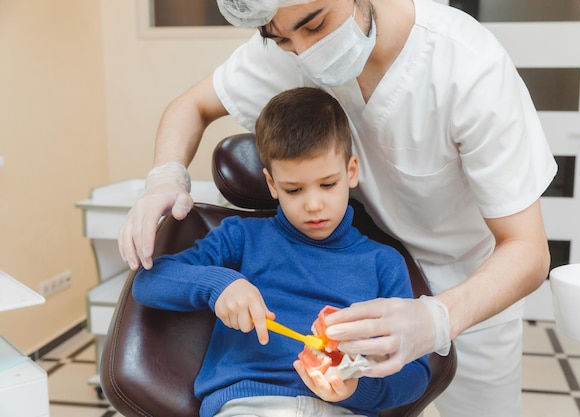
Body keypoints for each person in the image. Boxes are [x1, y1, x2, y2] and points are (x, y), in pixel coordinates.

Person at [119, 1, 557, 415]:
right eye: (285, 40)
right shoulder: (288, 31)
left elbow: (528, 249)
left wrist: (437, 317)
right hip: (348, 260)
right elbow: (190, 107)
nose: (306, 54)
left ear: (348, 172)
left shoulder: (467, 67)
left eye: (315, 24)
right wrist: (164, 179)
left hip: (471, 278)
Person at [131, 87, 432, 417]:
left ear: (351, 171)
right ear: (273, 185)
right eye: (294, 189)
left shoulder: (383, 264)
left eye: (328, 184)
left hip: (344, 409)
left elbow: (416, 374)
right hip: (248, 406)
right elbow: (149, 282)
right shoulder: (242, 238)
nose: (314, 204)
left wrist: (357, 388)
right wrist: (218, 286)